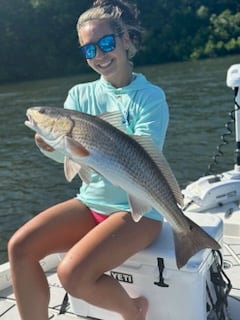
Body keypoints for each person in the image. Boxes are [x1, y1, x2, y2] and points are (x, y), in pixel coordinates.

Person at [8, 1, 169, 319]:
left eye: (106, 43)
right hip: (90, 204)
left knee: (72, 274)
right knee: (20, 248)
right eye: (88, 50)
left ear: (125, 41)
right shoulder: (79, 95)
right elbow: (69, 160)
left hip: (137, 212)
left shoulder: (150, 97)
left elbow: (146, 153)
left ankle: (133, 311)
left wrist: (95, 145)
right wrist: (51, 145)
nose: (99, 56)